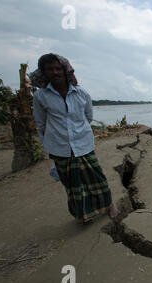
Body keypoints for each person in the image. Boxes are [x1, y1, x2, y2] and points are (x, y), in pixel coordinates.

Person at [32, 53, 119, 225]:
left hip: (83, 143)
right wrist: (49, 145)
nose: (55, 72)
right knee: (73, 184)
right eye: (50, 69)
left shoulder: (81, 93)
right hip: (59, 146)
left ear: (66, 71)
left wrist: (79, 132)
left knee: (97, 177)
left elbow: (88, 116)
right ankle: (84, 214)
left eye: (58, 69)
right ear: (44, 72)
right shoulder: (41, 96)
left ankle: (109, 205)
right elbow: (41, 123)